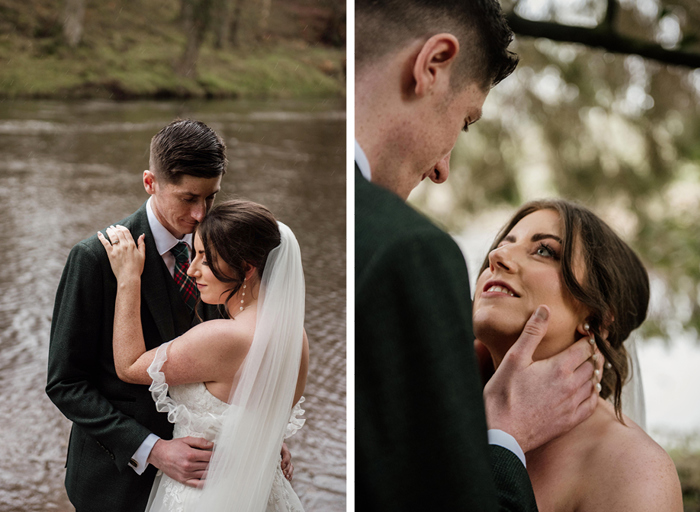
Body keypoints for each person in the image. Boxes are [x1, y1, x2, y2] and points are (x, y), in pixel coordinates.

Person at [355, 0, 603, 509]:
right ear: (432, 65)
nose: (443, 169)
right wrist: (502, 435)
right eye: (465, 121)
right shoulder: (407, 248)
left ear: (596, 317)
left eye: (544, 250)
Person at [46, 119, 292, 512]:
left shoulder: (224, 251)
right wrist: (153, 449)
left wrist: (252, 427)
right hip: (118, 484)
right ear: (150, 182)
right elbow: (66, 384)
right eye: (187, 198)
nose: (200, 214)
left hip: (209, 485)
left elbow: (239, 355)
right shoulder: (94, 259)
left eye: (211, 197)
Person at [98, 199, 309, 511]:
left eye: (205, 259)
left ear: (247, 268)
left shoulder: (223, 337)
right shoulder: (295, 334)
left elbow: (129, 366)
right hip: (265, 494)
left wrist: (129, 279)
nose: (192, 269)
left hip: (205, 496)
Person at [472, 199, 683, 511]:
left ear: (599, 317)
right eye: (504, 244)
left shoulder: (633, 469)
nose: (497, 256)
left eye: (544, 251)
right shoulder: (435, 406)